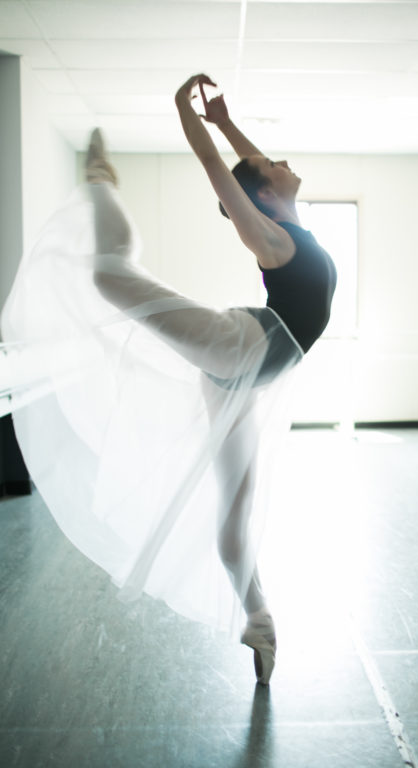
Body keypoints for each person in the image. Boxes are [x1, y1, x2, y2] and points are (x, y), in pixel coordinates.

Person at [2, 74, 336, 686]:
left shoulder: (290, 223)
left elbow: (244, 165)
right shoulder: (269, 235)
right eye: (270, 163)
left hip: (242, 376)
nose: (280, 161)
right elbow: (222, 170)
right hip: (240, 348)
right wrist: (184, 113)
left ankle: (258, 622)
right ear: (261, 196)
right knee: (109, 276)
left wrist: (225, 118)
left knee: (235, 514)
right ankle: (102, 181)